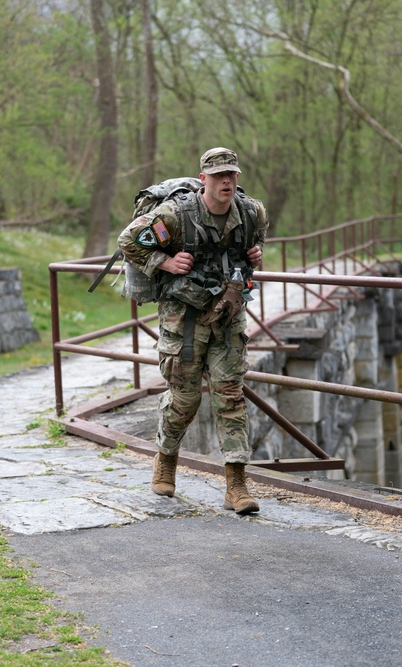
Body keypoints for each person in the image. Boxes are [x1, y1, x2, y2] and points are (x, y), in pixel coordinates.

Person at [117, 147, 269, 514]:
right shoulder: (174, 215)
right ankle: (166, 459)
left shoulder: (252, 212)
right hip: (183, 321)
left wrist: (256, 253)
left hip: (228, 318)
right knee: (185, 400)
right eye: (218, 176)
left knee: (230, 396)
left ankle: (237, 485)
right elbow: (128, 241)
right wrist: (164, 261)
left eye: (231, 175)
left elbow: (257, 240)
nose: (226, 182)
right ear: (204, 180)